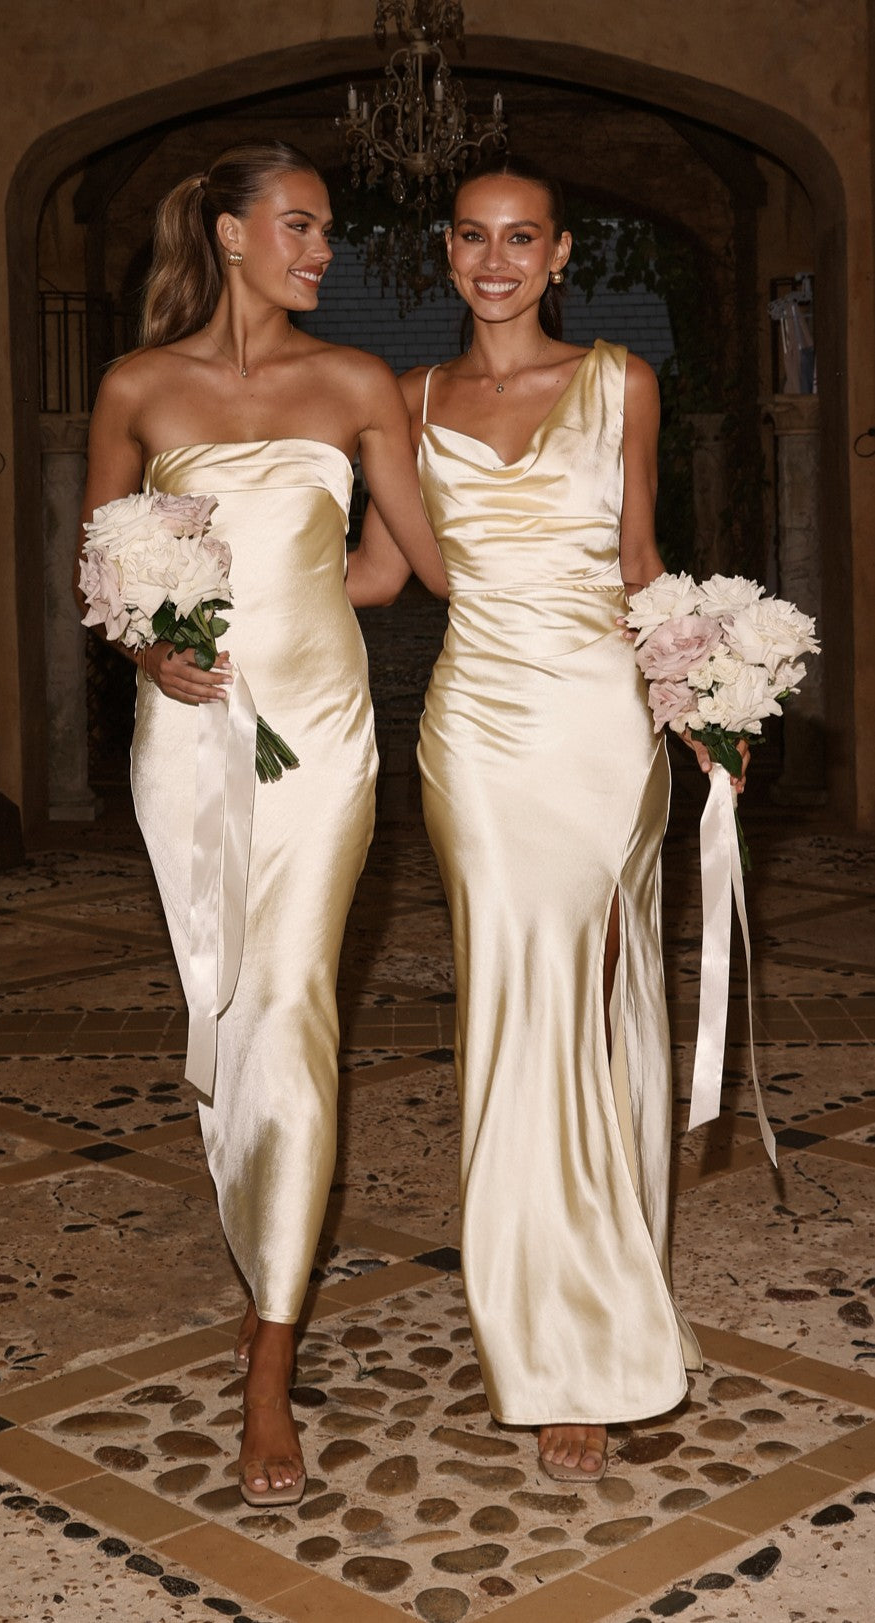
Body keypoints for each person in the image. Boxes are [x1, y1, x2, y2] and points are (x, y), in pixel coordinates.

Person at [346, 154, 747, 1483]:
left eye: (522, 238)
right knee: (520, 1010)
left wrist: (701, 690)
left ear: (561, 254)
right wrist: (206, 589)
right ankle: (552, 1333)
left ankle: (601, 1286)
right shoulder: (406, 399)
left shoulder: (619, 383)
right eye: (473, 236)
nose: (496, 260)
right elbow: (383, 572)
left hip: (601, 730)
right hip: (475, 738)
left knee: (600, 1002)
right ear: (447, 254)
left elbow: (637, 560)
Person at [75, 141, 447, 1509]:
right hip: (182, 740)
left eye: (326, 230)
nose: (322, 251)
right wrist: (151, 647)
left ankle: (273, 1351)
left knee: (291, 1002)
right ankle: (261, 1247)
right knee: (222, 1004)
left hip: (321, 742)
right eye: (300, 226)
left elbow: (410, 564)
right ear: (230, 235)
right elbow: (99, 567)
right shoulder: (137, 385)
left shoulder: (354, 383)